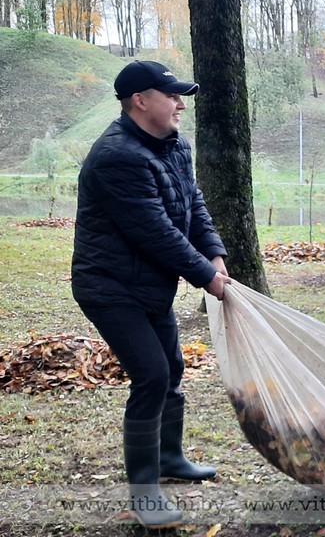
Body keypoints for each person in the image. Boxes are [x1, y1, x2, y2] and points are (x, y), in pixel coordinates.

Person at [72, 60, 231, 528]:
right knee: (152, 375)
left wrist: (214, 254)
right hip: (109, 286)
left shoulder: (174, 145)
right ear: (140, 101)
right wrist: (205, 276)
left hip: (148, 285)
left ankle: (169, 458)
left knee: (172, 368)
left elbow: (192, 203)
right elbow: (155, 231)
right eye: (172, 96)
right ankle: (144, 496)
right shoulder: (116, 157)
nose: (181, 104)